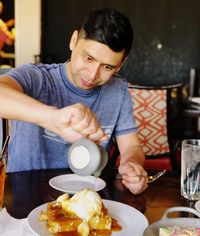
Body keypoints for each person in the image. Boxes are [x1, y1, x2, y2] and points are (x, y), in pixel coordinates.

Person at [0, 8, 148, 195]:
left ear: (121, 64)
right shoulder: (37, 77)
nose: (92, 74)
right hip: (26, 197)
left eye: (107, 67)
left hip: (86, 200)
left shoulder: (118, 90)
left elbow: (132, 147)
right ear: (74, 40)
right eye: (88, 58)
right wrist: (52, 118)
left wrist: (131, 165)